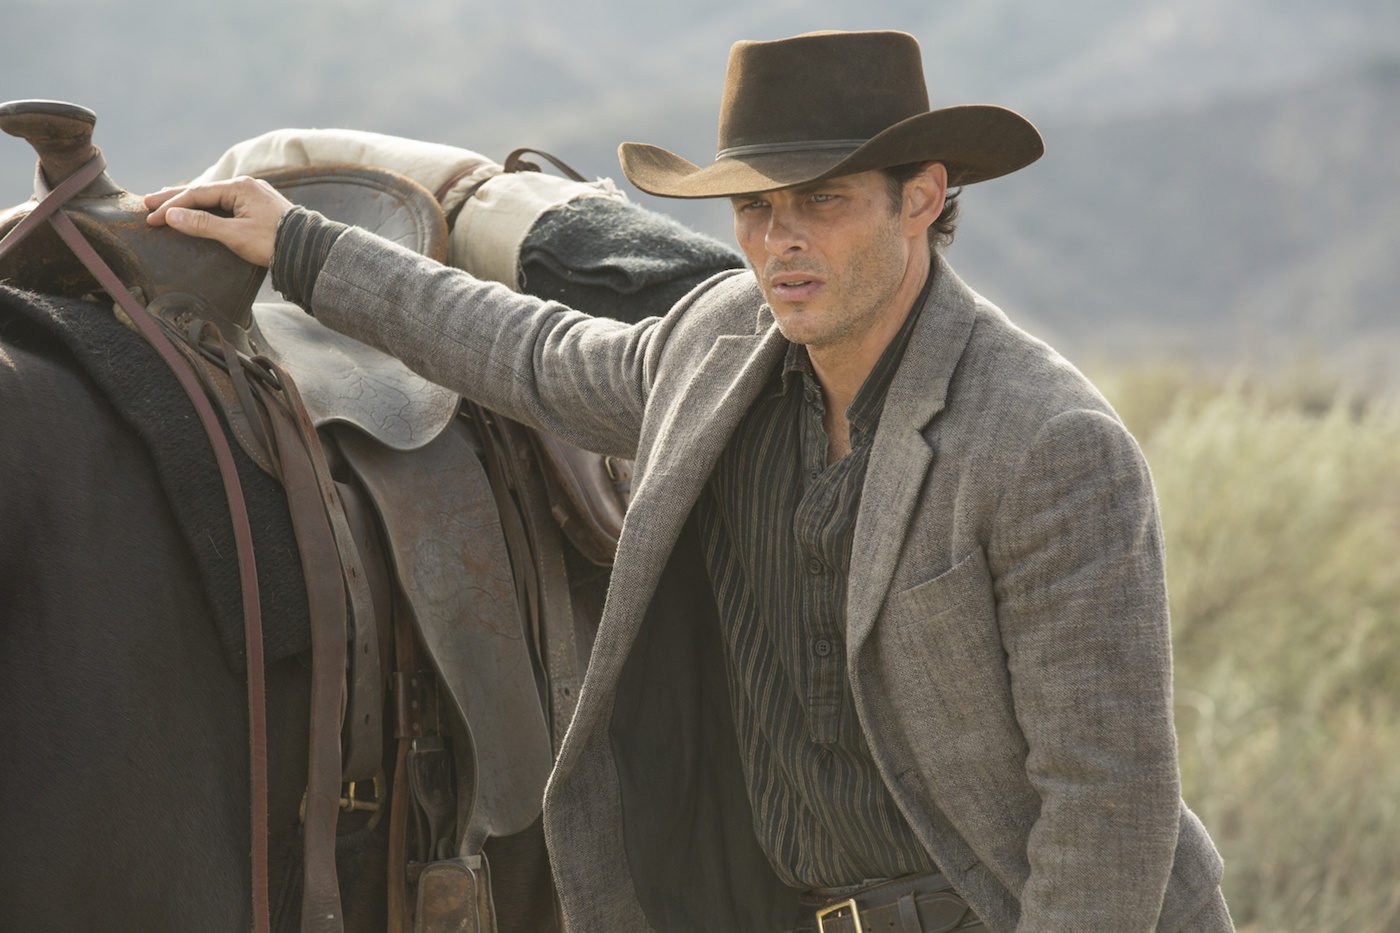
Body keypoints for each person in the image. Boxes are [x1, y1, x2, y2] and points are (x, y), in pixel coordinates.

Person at [147, 29, 1232, 933]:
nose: (780, 241)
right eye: (754, 207)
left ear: (922, 198)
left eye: (823, 200)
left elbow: (1107, 803)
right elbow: (529, 353)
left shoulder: (1047, 444)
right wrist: (301, 248)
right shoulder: (721, 345)